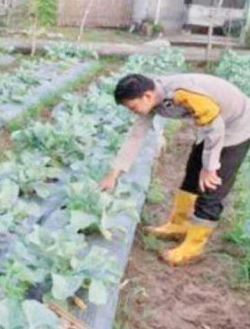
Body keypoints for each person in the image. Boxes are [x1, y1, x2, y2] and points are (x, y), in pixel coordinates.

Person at [100, 73, 250, 266]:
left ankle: (194, 247)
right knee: (193, 173)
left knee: (211, 184)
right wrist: (114, 174)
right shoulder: (153, 98)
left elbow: (216, 127)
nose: (134, 112)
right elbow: (136, 136)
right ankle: (178, 225)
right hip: (211, 125)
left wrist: (211, 167)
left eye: (133, 108)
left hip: (237, 126)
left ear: (147, 96)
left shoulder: (184, 94)